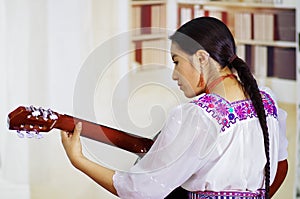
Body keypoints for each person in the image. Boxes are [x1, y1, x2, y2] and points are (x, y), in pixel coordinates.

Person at [61, 17, 288, 199]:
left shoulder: (197, 115)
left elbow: (142, 190)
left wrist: (79, 160)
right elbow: (281, 167)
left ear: (201, 58)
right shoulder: (267, 101)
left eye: (176, 61)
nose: (174, 74)